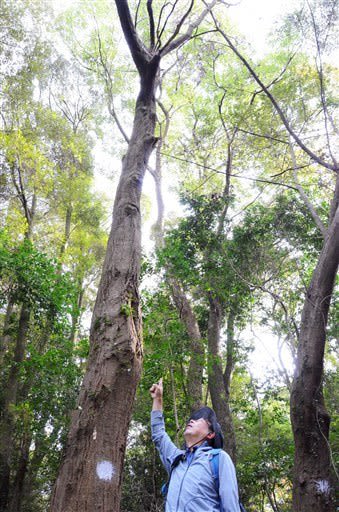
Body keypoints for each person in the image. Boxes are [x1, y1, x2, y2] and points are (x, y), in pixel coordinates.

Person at [150, 378, 241, 512]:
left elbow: (231, 507)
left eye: (199, 420)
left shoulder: (219, 459)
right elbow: (158, 435)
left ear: (210, 434)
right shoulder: (177, 459)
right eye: (192, 419)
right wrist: (158, 399)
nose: (192, 420)